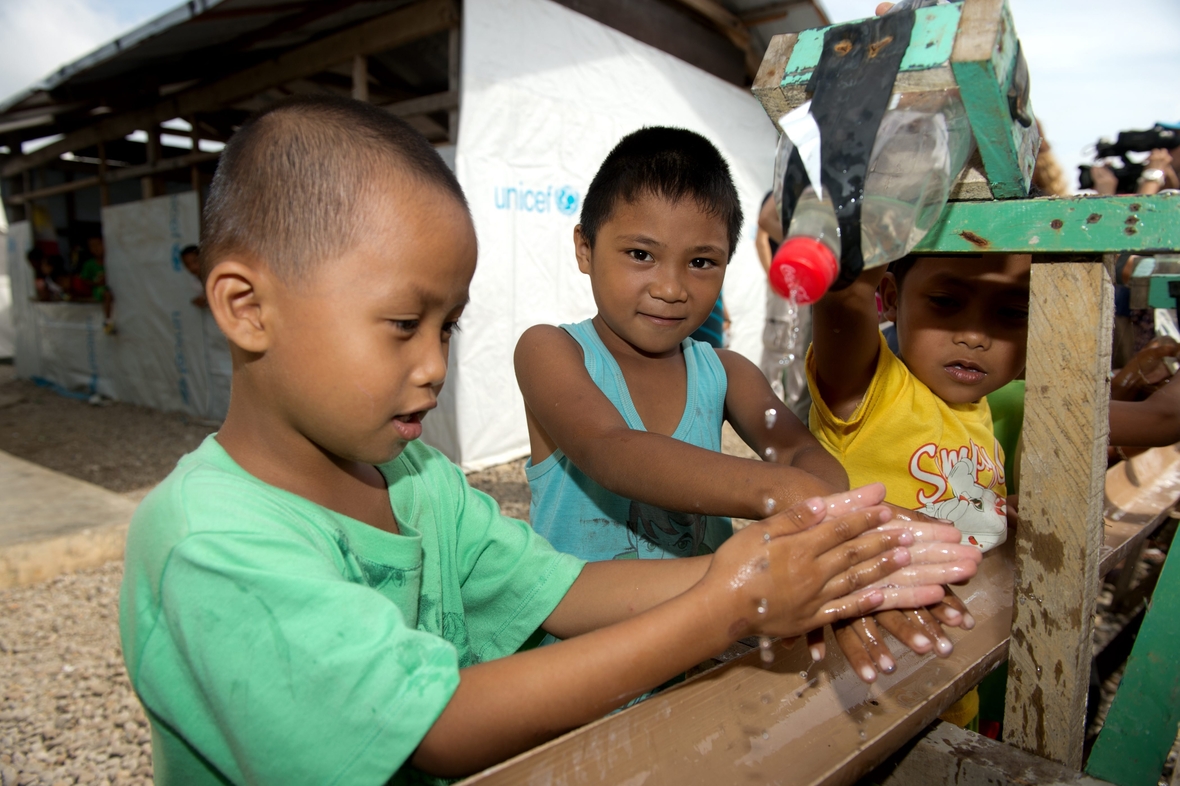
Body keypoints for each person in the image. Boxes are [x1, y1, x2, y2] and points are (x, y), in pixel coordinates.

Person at [118, 96, 977, 785]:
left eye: (448, 327)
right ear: (245, 308)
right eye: (403, 324)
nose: (434, 367)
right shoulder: (213, 544)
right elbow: (442, 730)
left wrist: (800, 578)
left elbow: (564, 590)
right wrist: (733, 603)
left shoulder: (418, 481)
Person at [515, 127, 979, 675]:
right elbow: (611, 450)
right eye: (641, 254)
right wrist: (789, 495)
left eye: (701, 262)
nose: (671, 287)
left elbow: (802, 455)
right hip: (577, 660)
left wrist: (840, 530)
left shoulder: (727, 372)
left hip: (702, 646)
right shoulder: (550, 351)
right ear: (584, 249)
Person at [756, 191, 812, 423]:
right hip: (783, 281)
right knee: (777, 346)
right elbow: (761, 235)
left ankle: (796, 417)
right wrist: (773, 275)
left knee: (801, 350)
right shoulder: (776, 195)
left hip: (809, 284)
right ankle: (768, 413)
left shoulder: (813, 197)